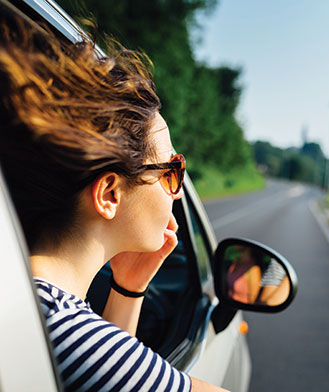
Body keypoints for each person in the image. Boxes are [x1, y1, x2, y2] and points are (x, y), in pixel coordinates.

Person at [0, 19, 228, 392]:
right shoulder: (64, 330)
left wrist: (129, 287)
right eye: (171, 170)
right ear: (109, 195)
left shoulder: (37, 304)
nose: (178, 191)